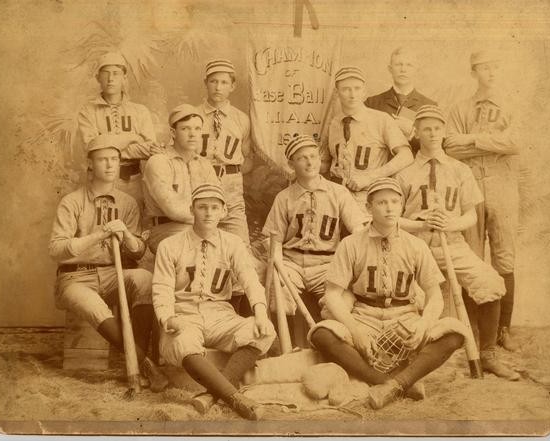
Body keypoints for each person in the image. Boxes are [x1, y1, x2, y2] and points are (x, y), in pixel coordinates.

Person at [308, 177, 465, 410]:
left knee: (454, 333)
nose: (389, 208)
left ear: (401, 206)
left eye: (394, 201)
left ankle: (393, 384)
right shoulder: (351, 244)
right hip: (364, 315)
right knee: (322, 334)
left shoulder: (416, 245)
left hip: (405, 317)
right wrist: (356, 331)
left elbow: (435, 296)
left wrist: (423, 324)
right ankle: (393, 383)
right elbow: (332, 295)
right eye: (381, 203)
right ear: (368, 208)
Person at [396, 105, 519, 380]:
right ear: (416, 132)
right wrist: (421, 224)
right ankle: (413, 361)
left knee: (489, 281)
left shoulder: (459, 170)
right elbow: (393, 220)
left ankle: (487, 355)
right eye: (426, 128)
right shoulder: (404, 174)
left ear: (444, 131)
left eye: (438, 128)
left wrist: (451, 224)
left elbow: (469, 217)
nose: (433, 134)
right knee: (408, 299)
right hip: (415, 247)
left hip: (452, 244)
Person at [49, 134, 168, 392]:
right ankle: (144, 364)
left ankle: (137, 358)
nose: (110, 165)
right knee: (95, 307)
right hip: (75, 278)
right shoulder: (72, 202)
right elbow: (56, 250)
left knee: (145, 279)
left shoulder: (127, 203)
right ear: (90, 164)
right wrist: (99, 235)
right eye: (103, 159)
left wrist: (125, 235)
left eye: (114, 159)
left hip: (112, 273)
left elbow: (136, 253)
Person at [152, 184, 275, 420]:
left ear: (224, 211)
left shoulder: (233, 243)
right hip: (183, 313)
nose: (208, 213)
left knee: (263, 331)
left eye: (214, 207)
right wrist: (167, 317)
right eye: (202, 207)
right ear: (191, 210)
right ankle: (236, 399)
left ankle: (211, 395)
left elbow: (250, 280)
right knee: (182, 342)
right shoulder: (170, 245)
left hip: (220, 314)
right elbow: (161, 288)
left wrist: (260, 312)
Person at [446, 51, 521, 351]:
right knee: (472, 258)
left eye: (495, 66)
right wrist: (492, 144)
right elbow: (450, 147)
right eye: (484, 67)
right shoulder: (460, 108)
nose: (490, 72)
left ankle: (504, 329)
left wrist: (472, 139)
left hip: (503, 187)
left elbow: (515, 143)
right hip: (470, 187)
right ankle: (475, 331)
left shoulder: (511, 105)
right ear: (473, 71)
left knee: (504, 257)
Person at [262, 135, 369, 323]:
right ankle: (289, 348)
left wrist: (352, 263)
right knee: (279, 296)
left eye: (313, 156)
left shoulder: (338, 192)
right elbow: (275, 239)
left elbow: (358, 231)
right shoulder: (284, 197)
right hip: (291, 262)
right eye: (302, 158)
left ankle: (326, 344)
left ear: (320, 159)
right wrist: (279, 267)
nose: (309, 162)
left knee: (339, 304)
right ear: (291, 164)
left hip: (326, 264)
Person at [321, 66, 413, 218]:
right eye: (346, 89)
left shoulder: (381, 119)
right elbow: (326, 163)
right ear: (337, 93)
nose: (352, 94)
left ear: (365, 92)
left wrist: (369, 177)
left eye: (357, 88)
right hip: (336, 199)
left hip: (368, 200)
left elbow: (406, 156)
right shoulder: (334, 123)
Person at [77, 51, 163, 207]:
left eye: (116, 74)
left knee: (133, 225)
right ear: (98, 78)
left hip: (133, 181)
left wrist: (109, 147)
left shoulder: (140, 111)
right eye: (106, 74)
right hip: (100, 182)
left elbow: (150, 149)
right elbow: (91, 147)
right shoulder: (88, 111)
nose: (110, 79)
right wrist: (132, 138)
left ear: (124, 78)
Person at [142, 104, 218, 254]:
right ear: (173, 132)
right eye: (185, 129)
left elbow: (222, 206)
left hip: (202, 228)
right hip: (166, 230)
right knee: (199, 250)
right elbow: (173, 210)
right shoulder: (159, 162)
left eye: (197, 129)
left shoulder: (204, 164)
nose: (192, 134)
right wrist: (208, 217)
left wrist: (208, 219)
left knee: (237, 252)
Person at [196, 59, 252, 244]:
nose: (218, 87)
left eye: (224, 82)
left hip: (231, 190)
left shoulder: (241, 119)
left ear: (233, 86)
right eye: (213, 81)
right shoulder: (193, 116)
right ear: (205, 83)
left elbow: (248, 158)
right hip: (199, 185)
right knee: (199, 245)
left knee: (240, 246)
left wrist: (230, 176)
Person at [365, 47, 437, 154]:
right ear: (390, 69)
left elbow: (436, 148)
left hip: (416, 168)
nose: (403, 69)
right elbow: (363, 139)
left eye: (409, 65)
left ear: (416, 70)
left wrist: (413, 133)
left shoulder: (429, 106)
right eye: (398, 64)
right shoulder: (372, 103)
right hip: (381, 167)